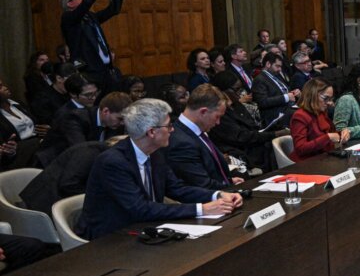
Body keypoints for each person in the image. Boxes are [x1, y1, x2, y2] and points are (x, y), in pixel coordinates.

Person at [78, 98, 242, 240]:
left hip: (145, 227)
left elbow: (177, 189)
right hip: (110, 237)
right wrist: (202, 209)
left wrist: (217, 194)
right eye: (169, 125)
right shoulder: (113, 162)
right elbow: (139, 209)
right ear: (151, 132)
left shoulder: (155, 153)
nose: (172, 130)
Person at [37, 80, 129, 167]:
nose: (122, 123)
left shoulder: (115, 124)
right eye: (120, 118)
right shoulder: (75, 118)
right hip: (52, 166)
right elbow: (82, 151)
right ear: (106, 111)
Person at [168, 84, 242, 190]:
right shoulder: (181, 142)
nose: (218, 122)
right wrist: (227, 186)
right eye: (217, 117)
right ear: (203, 112)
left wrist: (228, 181)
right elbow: (201, 184)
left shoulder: (197, 131)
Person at [60, 0, 124, 86]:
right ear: (69, 4)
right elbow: (87, 2)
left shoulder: (89, 17)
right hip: (88, 71)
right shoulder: (68, 18)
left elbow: (113, 10)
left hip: (105, 69)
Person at [18, 139, 112, 214]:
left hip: (54, 199)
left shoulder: (100, 153)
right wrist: (97, 194)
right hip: (40, 205)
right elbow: (68, 184)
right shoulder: (90, 153)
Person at [209, 70, 277, 172]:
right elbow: (240, 137)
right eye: (236, 89)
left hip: (253, 143)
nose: (240, 93)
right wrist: (273, 134)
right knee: (271, 146)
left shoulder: (236, 104)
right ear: (222, 91)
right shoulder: (219, 113)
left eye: (240, 89)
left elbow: (252, 126)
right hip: (240, 151)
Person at [289, 78, 348, 161]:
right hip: (307, 163)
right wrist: (328, 137)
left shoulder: (320, 112)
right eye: (325, 98)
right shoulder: (299, 116)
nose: (329, 102)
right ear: (312, 95)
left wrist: (342, 134)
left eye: (330, 99)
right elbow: (300, 148)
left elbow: (330, 134)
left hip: (324, 158)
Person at [0, 78, 44, 171]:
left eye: (3, 84)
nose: (5, 88)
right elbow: (5, 149)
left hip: (39, 144)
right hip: (20, 154)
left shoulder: (17, 104)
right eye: (0, 87)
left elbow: (37, 122)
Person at [251, 52, 299, 131]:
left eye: (280, 67)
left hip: (286, 108)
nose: (280, 69)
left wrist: (294, 93)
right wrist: (286, 97)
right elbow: (262, 102)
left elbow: (284, 91)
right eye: (277, 66)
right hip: (275, 115)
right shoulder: (259, 79)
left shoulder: (275, 76)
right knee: (303, 114)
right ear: (268, 64)